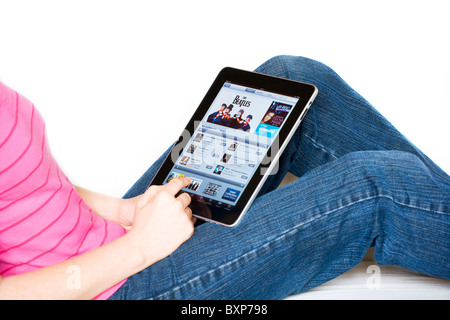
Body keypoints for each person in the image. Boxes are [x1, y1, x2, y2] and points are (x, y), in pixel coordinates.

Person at [0, 56, 448, 300]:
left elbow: (23, 180)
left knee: (293, 83)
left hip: (119, 238)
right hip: (113, 286)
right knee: (376, 184)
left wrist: (126, 211)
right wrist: (139, 250)